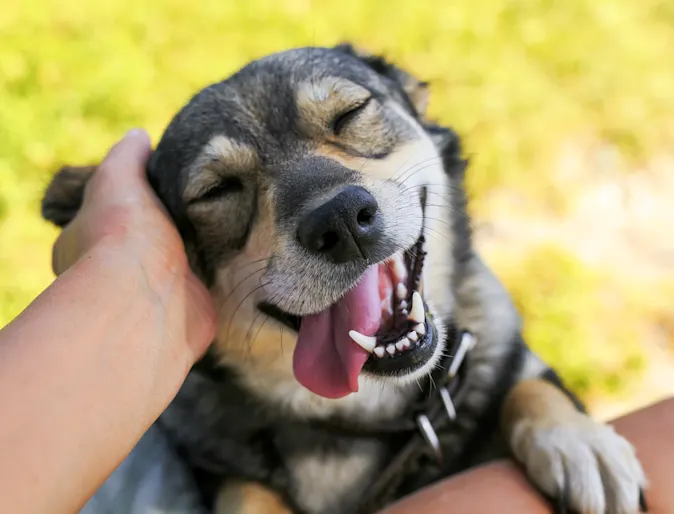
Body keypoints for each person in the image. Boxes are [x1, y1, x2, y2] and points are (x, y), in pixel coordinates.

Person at [0, 129, 670, 514]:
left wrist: (537, 407)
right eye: (222, 189)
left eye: (350, 118)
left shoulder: (481, 323)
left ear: (422, 120)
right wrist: (127, 268)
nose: (334, 205)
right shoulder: (177, 430)